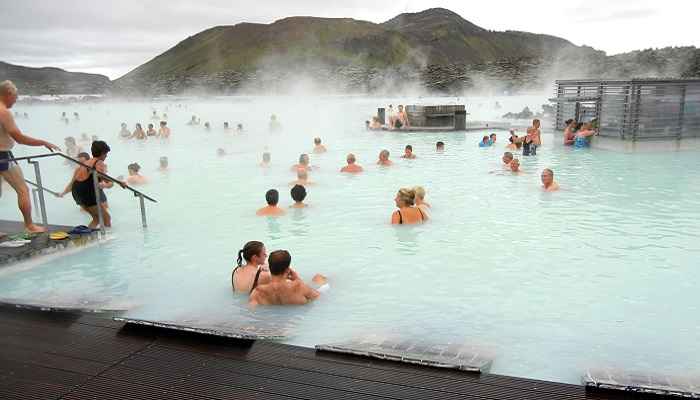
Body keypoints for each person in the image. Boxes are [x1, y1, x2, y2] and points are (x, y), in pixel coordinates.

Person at [0, 80, 61, 232]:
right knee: (23, 190)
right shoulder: (4, 112)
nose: (16, 100)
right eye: (15, 96)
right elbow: (19, 138)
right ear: (8, 94)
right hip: (3, 155)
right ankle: (29, 225)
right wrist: (42, 142)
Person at [249, 250, 326, 307]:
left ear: (270, 267)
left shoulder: (258, 292)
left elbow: (251, 311)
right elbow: (319, 297)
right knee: (319, 277)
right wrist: (297, 279)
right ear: (287, 270)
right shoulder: (298, 286)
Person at [71, 140, 118, 229]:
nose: (106, 156)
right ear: (102, 153)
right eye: (106, 154)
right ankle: (106, 239)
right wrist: (112, 183)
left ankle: (87, 237)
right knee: (106, 218)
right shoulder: (99, 163)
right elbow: (107, 180)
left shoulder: (87, 162)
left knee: (97, 218)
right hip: (86, 193)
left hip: (77, 191)